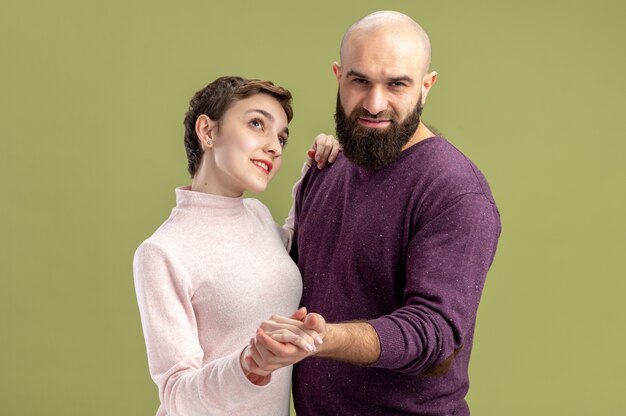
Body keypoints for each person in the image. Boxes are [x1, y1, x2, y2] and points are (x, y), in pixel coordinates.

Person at [247, 11, 502, 416]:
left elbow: (433, 334)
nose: (374, 103)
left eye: (396, 84)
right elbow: (284, 278)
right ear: (338, 76)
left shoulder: (454, 190)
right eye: (360, 80)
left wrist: (323, 338)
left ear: (426, 87)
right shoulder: (327, 167)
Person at [132, 76, 339, 416]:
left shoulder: (256, 215)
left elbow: (294, 237)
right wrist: (247, 365)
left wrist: (316, 168)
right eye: (257, 124)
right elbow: (176, 394)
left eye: (281, 139)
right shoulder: (162, 252)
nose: (274, 146)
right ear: (207, 132)